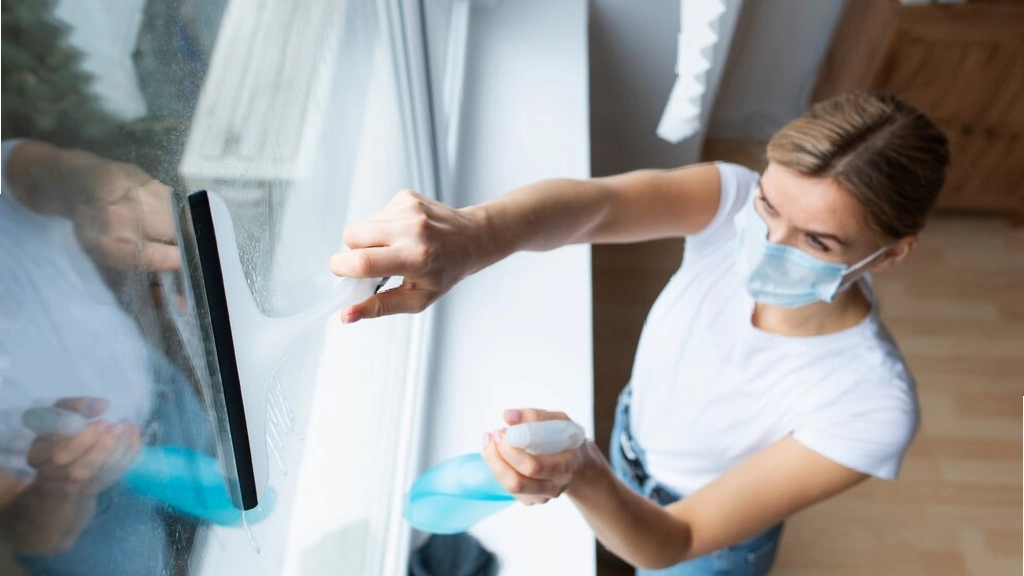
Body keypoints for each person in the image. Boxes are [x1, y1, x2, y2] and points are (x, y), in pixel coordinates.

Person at [328, 91, 950, 575]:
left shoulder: (871, 406)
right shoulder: (730, 200)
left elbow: (673, 541)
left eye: (816, 241)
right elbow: (598, 206)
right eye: (768, 205)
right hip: (630, 442)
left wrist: (581, 470)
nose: (767, 243)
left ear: (891, 255)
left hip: (702, 547)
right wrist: (478, 234)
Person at [0, 139, 208, 575]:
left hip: (159, 393)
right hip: (88, 508)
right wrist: (62, 486)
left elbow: (63, 173)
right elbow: (30, 532)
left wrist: (103, 193)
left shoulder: (9, 179)